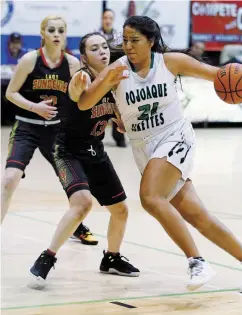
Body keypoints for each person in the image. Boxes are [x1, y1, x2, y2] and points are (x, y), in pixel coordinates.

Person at [78, 16, 242, 294]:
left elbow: (218, 75)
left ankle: (197, 262)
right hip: (144, 147)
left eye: (135, 40)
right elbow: (84, 103)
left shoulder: (169, 62)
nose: (128, 46)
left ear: (151, 41)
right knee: (197, 216)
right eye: (125, 40)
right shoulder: (117, 69)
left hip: (175, 137)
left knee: (150, 197)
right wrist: (105, 83)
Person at [29, 32, 139, 286]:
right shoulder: (82, 77)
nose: (102, 51)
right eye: (94, 48)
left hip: (94, 150)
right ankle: (47, 257)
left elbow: (116, 117)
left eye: (104, 46)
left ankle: (111, 258)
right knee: (82, 202)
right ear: (84, 57)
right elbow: (79, 94)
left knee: (120, 210)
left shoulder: (117, 81)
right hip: (67, 150)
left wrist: (121, 121)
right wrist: (78, 85)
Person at [2, 15, 96, 246]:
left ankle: (77, 226)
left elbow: (82, 100)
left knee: (73, 184)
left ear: (65, 35)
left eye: (61, 30)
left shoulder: (73, 64)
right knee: (9, 179)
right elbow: (10, 94)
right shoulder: (30, 60)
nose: (56, 34)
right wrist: (35, 107)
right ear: (43, 33)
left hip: (57, 131)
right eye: (51, 30)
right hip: (26, 127)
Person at [98, 8, 127, 147]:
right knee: (97, 108)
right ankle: (93, 139)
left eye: (110, 18)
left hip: (115, 78)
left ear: (113, 20)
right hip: (99, 76)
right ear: (102, 19)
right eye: (105, 18)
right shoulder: (95, 36)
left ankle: (120, 139)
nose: (107, 20)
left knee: (118, 107)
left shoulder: (119, 37)